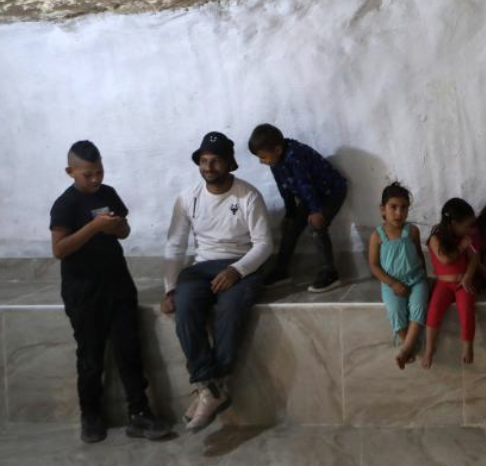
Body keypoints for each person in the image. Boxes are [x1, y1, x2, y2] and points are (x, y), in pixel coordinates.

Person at [49, 140, 170, 443]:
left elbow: (124, 230)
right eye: (87, 174)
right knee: (90, 356)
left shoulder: (108, 193)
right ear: (70, 172)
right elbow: (59, 249)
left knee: (128, 349)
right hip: (83, 289)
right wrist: (94, 228)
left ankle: (139, 413)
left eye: (99, 172)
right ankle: (90, 416)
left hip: (117, 282)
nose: (95, 180)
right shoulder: (65, 204)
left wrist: (117, 228)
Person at [161, 131, 272, 432]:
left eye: (216, 161)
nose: (208, 167)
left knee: (230, 309)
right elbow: (175, 245)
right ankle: (210, 387)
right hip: (201, 267)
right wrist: (170, 287)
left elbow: (264, 245)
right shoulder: (188, 198)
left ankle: (208, 388)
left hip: (240, 265)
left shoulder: (248, 196)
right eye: (204, 161)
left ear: (230, 165)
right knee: (184, 305)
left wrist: (237, 270)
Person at [248, 124, 348, 293]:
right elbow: (284, 187)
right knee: (290, 227)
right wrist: (291, 212)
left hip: (331, 191)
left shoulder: (295, 156)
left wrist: (316, 211)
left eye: (263, 157)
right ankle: (281, 271)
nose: (261, 161)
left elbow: (305, 184)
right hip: (310, 195)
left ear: (277, 149)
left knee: (317, 226)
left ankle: (330, 273)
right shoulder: (276, 161)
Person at [367, 182, 430, 369]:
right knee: (395, 311)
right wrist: (393, 283)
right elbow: (374, 265)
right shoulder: (377, 236)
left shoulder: (412, 231)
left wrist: (424, 280)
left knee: (418, 305)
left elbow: (419, 256)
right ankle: (410, 344)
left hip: (416, 279)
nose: (398, 213)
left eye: (403, 208)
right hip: (390, 283)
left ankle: (406, 349)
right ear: (382, 209)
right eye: (393, 207)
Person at [423, 197, 480, 368]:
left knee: (466, 309)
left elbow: (475, 259)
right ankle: (430, 348)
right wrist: (462, 246)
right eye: (466, 225)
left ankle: (468, 346)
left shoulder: (464, 238)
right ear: (453, 223)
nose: (469, 230)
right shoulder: (435, 238)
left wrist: (467, 277)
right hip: (443, 285)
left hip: (462, 283)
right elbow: (445, 259)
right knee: (434, 311)